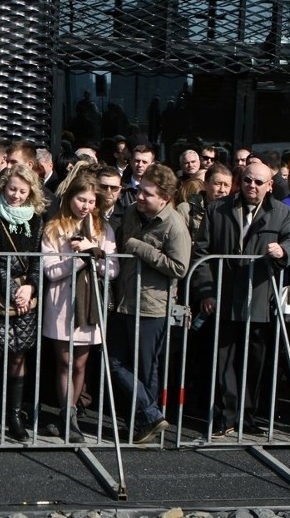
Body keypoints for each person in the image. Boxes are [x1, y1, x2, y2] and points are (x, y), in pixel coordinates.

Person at [193, 162, 290, 437]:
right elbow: (201, 254)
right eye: (247, 181)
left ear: (269, 186)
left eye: (258, 182)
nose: (251, 187)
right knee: (223, 361)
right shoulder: (217, 209)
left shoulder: (282, 212)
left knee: (254, 362)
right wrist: (205, 291)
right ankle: (225, 416)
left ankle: (247, 416)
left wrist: (284, 249)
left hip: (259, 299)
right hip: (225, 296)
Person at [110, 164, 191, 443]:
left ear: (164, 198)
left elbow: (179, 267)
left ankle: (144, 425)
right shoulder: (132, 212)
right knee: (114, 362)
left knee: (147, 370)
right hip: (124, 301)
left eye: (147, 193)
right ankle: (151, 414)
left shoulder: (174, 225)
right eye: (139, 189)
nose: (139, 196)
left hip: (151, 306)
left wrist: (139, 247)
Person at [41, 175, 119, 443]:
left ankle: (70, 417)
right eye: (81, 199)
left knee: (81, 363)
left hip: (89, 304)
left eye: (90, 201)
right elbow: (51, 271)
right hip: (60, 301)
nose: (85, 206)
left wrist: (92, 251)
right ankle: (66, 415)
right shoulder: (53, 227)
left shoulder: (103, 228)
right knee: (64, 362)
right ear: (69, 198)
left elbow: (112, 269)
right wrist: (79, 260)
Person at [0, 164, 45, 443]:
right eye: (12, 189)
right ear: (3, 186)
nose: (16, 195)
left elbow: (38, 257)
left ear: (31, 192)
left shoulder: (38, 218)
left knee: (19, 354)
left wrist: (30, 287)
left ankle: (15, 417)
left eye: (22, 191)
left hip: (26, 293)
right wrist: (12, 291)